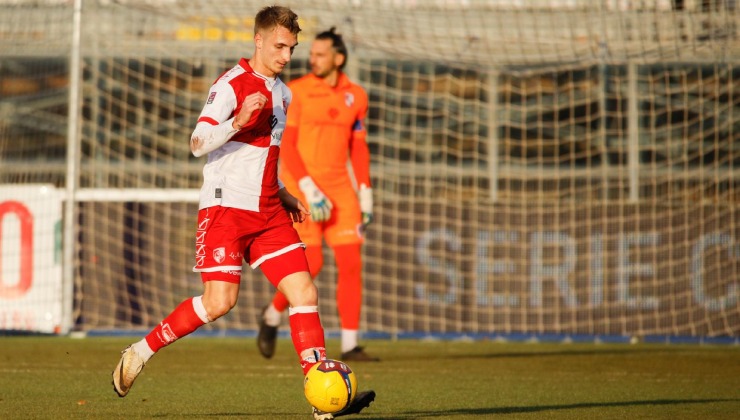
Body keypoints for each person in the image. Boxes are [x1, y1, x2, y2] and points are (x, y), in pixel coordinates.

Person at [111, 6, 375, 419]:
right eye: (279, 46)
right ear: (258, 40)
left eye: (291, 48)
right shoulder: (231, 84)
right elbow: (197, 142)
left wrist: (284, 193)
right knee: (219, 303)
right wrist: (237, 121)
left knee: (305, 293)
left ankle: (323, 396)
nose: (286, 55)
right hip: (227, 208)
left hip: (269, 211)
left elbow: (266, 153)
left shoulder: (285, 93)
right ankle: (140, 351)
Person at [257, 27, 378, 362]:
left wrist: (365, 191)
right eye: (311, 54)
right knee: (312, 263)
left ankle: (350, 344)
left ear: (338, 58)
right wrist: (310, 189)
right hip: (303, 189)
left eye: (320, 54)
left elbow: (358, 147)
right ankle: (272, 314)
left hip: (341, 191)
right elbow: (288, 146)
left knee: (351, 264)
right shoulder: (296, 92)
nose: (313, 59)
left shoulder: (356, 96)